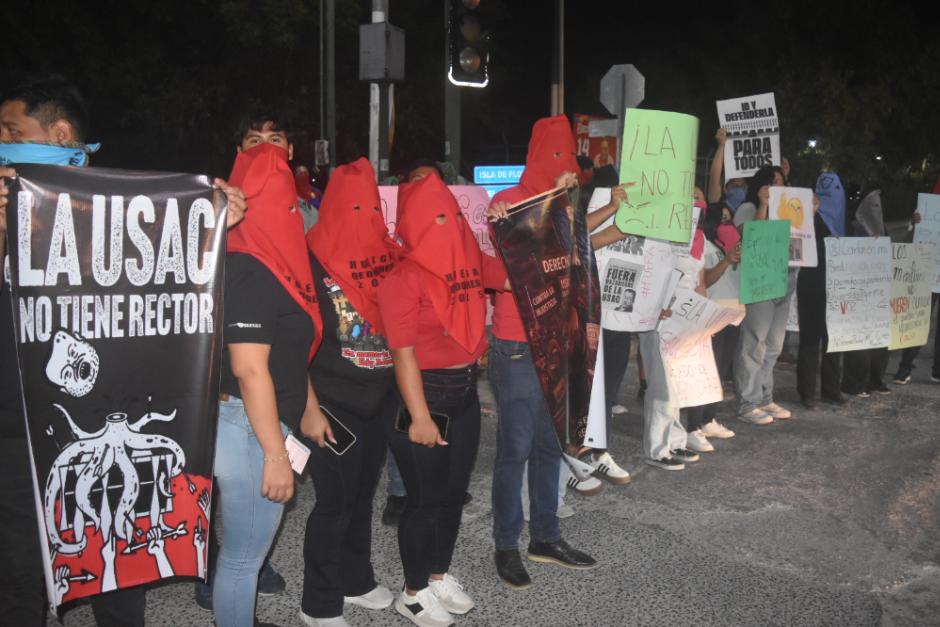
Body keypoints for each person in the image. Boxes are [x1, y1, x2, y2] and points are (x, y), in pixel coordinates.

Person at [0, 76, 245, 627]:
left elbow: (178, 269)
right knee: (19, 576)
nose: (1, 142)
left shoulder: (124, 203)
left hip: (106, 410)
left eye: (11, 130)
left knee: (120, 570)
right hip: (15, 432)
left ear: (58, 132)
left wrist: (213, 214)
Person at [377, 170, 507, 627]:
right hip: (422, 396)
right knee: (424, 500)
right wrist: (419, 416)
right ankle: (412, 593)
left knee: (452, 497)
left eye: (451, 214)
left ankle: (437, 575)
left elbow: (511, 278)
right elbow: (402, 355)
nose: (446, 223)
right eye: (436, 217)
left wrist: (504, 226)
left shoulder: (467, 254)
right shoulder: (402, 277)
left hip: (465, 394)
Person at [214, 112, 325, 627]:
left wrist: (309, 407)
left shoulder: (278, 257)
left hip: (262, 420)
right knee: (242, 561)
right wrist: (275, 455)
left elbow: (285, 349)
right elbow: (249, 369)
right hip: (247, 426)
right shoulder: (247, 261)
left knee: (242, 555)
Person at [486, 115, 601, 592]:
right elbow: (494, 271)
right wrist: (509, 224)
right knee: (514, 449)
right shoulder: (508, 203)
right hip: (516, 343)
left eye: (569, 160)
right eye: (557, 159)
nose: (566, 170)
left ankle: (546, 535)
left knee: (550, 444)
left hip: (558, 338)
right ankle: (506, 544)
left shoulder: (569, 208)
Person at [298, 157, 400, 626]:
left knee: (363, 495)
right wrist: (308, 407)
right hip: (332, 401)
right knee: (334, 502)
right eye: (354, 207)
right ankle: (317, 602)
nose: (366, 217)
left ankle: (355, 579)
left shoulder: (388, 253)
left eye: (372, 208)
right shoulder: (309, 258)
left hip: (378, 398)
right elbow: (294, 342)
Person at [733, 165, 796, 424]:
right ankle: (747, 403)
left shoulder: (790, 211)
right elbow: (750, 238)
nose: (777, 187)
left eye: (781, 182)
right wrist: (763, 206)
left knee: (773, 346)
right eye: (772, 182)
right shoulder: (749, 208)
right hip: (760, 281)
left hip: (785, 278)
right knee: (754, 342)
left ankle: (765, 397)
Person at [796, 174, 844, 408]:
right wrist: (809, 216)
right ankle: (806, 393)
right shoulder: (808, 216)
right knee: (810, 340)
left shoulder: (846, 220)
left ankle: (831, 390)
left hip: (837, 286)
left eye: (833, 189)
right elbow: (796, 241)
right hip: (812, 285)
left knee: (834, 339)